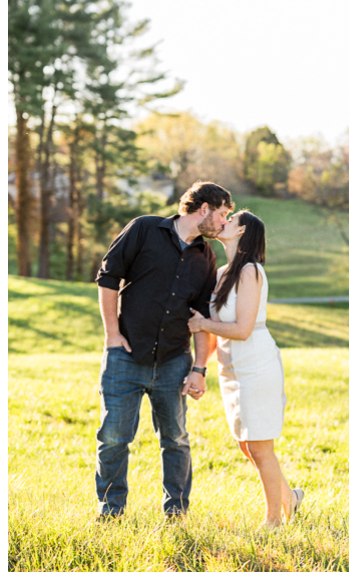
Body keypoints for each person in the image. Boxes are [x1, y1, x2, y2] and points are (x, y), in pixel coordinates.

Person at [94, 181, 233, 518]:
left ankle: (177, 513)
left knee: (176, 439)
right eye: (223, 215)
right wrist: (112, 335)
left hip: (174, 361)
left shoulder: (206, 256)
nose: (225, 223)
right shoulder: (144, 229)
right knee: (113, 438)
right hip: (125, 355)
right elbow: (108, 277)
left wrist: (199, 368)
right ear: (204, 209)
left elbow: (201, 316)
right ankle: (111, 511)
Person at [188, 209, 303, 528]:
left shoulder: (251, 271)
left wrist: (200, 322)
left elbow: (242, 329)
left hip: (256, 364)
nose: (222, 222)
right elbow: (215, 329)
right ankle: (290, 499)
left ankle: (274, 520)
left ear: (241, 233)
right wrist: (199, 368)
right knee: (245, 444)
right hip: (231, 368)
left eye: (230, 221)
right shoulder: (224, 271)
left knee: (259, 444)